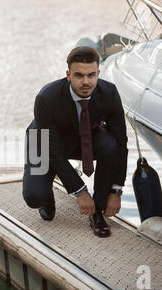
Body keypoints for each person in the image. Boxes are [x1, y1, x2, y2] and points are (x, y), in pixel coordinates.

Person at [22, 46, 128, 238]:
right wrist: (81, 192)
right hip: (44, 143)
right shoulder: (46, 97)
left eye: (91, 75)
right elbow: (52, 149)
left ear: (98, 73)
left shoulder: (109, 93)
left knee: (110, 146)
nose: (86, 81)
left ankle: (97, 211)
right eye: (79, 75)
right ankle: (46, 191)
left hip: (85, 137)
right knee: (34, 197)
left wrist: (116, 190)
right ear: (68, 74)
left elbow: (122, 144)